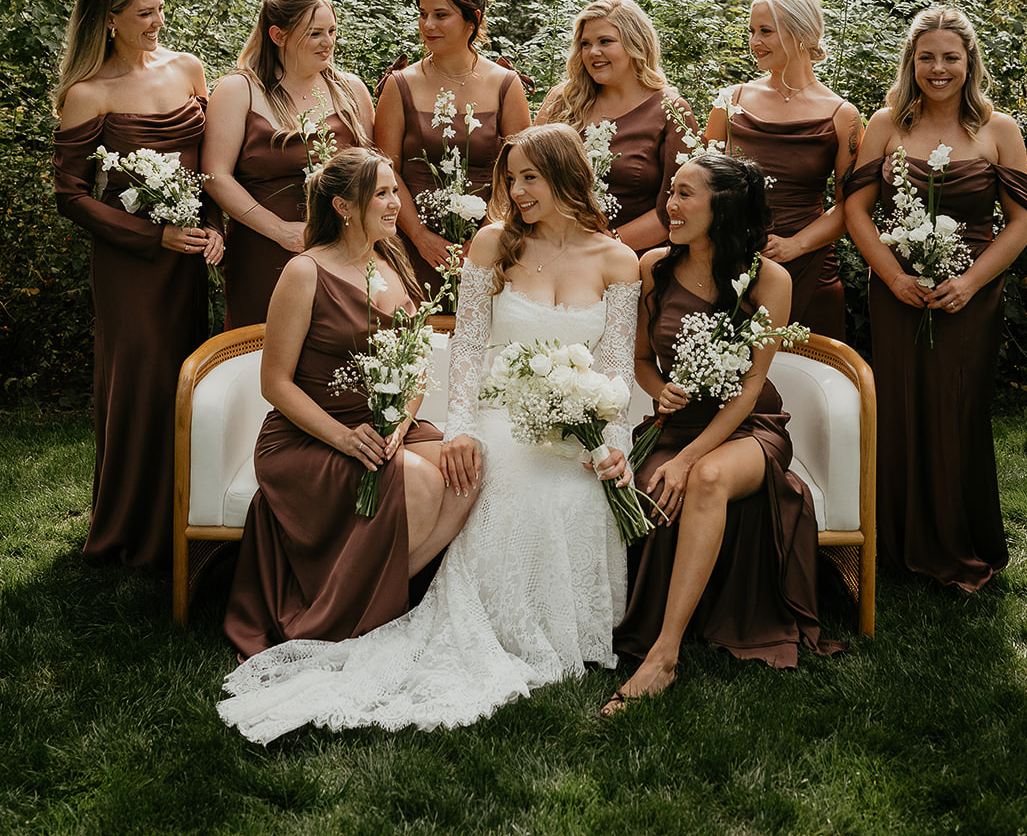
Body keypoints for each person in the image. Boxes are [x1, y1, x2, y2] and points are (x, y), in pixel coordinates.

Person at [218, 123, 640, 740]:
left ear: (567, 176)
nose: (516, 191)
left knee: (572, 492)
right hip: (487, 413)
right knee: (478, 474)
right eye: (511, 178)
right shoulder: (491, 245)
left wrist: (611, 446)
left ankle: (518, 623)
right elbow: (465, 354)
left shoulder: (616, 260)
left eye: (530, 178)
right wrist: (462, 429)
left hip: (572, 423)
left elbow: (614, 372)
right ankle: (367, 610)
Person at [608, 154, 836, 712]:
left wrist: (686, 459)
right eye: (672, 192)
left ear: (724, 206)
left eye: (686, 194)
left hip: (749, 427)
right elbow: (641, 359)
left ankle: (664, 655)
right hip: (673, 421)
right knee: (643, 486)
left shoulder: (768, 278)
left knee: (704, 479)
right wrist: (658, 389)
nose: (671, 205)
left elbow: (751, 385)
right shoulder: (653, 266)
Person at [223, 147, 472, 656]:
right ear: (342, 206)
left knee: (468, 475)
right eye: (380, 194)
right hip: (310, 438)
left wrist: (400, 423)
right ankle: (355, 617)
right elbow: (275, 383)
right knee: (423, 482)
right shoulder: (304, 272)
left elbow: (415, 364)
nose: (394, 204)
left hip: (385, 426)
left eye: (392, 192)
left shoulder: (391, 262)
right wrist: (344, 436)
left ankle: (362, 603)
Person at [844, 6, 1027, 592]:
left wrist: (971, 281)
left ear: (969, 61)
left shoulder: (999, 130)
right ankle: (898, 544)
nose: (938, 68)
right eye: (926, 56)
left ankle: (958, 541)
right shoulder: (884, 125)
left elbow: (1023, 222)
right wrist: (894, 278)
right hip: (897, 292)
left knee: (958, 410)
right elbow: (855, 209)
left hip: (969, 296)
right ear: (911, 61)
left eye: (950, 56)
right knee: (899, 409)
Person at [52, 0, 223, 568]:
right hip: (130, 264)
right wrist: (153, 239)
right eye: (144, 13)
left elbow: (211, 161)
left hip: (186, 261)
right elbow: (69, 193)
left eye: (159, 9)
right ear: (110, 21)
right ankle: (131, 526)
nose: (157, 22)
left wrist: (214, 230)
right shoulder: (87, 94)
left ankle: (182, 517)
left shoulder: (188, 69)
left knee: (184, 377)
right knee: (140, 380)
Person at [202, 0, 375, 328]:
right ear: (278, 36)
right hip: (264, 252)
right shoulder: (239, 91)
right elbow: (215, 175)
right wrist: (281, 231)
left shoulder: (351, 91)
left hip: (343, 252)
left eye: (332, 31)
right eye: (314, 34)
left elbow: (372, 177)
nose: (328, 42)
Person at [704, 0, 862, 337]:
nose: (754, 41)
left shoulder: (842, 115)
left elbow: (850, 206)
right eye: (751, 31)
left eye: (765, 31)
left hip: (809, 266)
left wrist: (795, 245)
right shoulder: (731, 101)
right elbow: (699, 185)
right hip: (731, 260)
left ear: (802, 34)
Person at [374, 0, 530, 301]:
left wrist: (489, 235)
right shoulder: (399, 85)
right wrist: (420, 236)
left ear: (471, 19)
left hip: (492, 242)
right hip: (412, 241)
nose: (428, 25)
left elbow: (521, 172)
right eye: (422, 14)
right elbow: (386, 170)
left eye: (441, 15)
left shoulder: (506, 84)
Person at [536, 0, 699, 254]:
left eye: (605, 42)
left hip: (628, 260)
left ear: (636, 44)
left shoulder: (671, 111)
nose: (592, 52)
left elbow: (675, 208)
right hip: (548, 249)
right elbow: (526, 174)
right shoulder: (563, 99)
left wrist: (603, 246)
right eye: (585, 44)